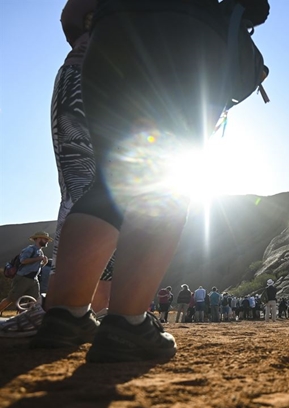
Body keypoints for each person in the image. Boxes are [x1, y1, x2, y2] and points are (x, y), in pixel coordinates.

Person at [30, 0, 270, 360]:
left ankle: (65, 315)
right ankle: (127, 322)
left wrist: (95, 28)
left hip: (111, 36)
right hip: (186, 36)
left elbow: (72, 11)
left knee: (109, 182)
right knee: (165, 182)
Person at [0, 0, 116, 339]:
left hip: (94, 66)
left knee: (82, 187)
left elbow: (71, 16)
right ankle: (103, 308)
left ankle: (67, 308)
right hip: (143, 78)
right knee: (125, 194)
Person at [0, 232, 52, 316]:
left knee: (35, 300)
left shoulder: (40, 252)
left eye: (47, 240)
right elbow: (23, 260)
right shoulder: (30, 249)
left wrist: (44, 263)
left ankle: (30, 317)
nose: (47, 241)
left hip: (34, 279)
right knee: (11, 299)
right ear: (38, 239)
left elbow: (36, 266)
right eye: (45, 239)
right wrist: (38, 258)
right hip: (23, 278)